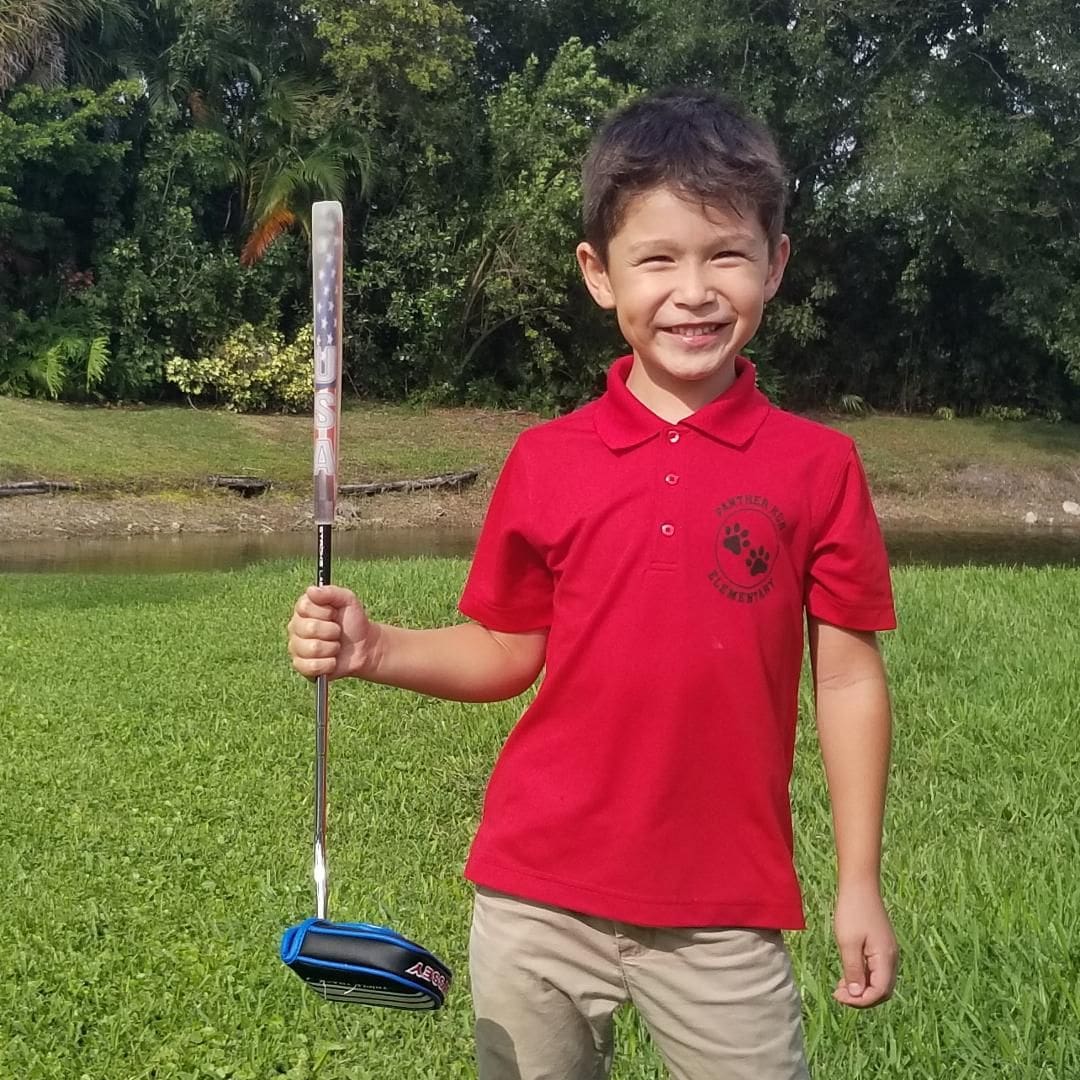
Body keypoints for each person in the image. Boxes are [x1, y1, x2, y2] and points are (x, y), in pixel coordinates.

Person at [288, 87, 899, 1080]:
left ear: (775, 266)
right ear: (599, 275)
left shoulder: (817, 467)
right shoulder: (545, 460)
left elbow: (846, 680)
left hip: (725, 907)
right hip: (535, 896)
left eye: (726, 255)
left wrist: (860, 881)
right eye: (657, 258)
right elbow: (505, 648)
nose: (693, 290)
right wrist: (376, 648)